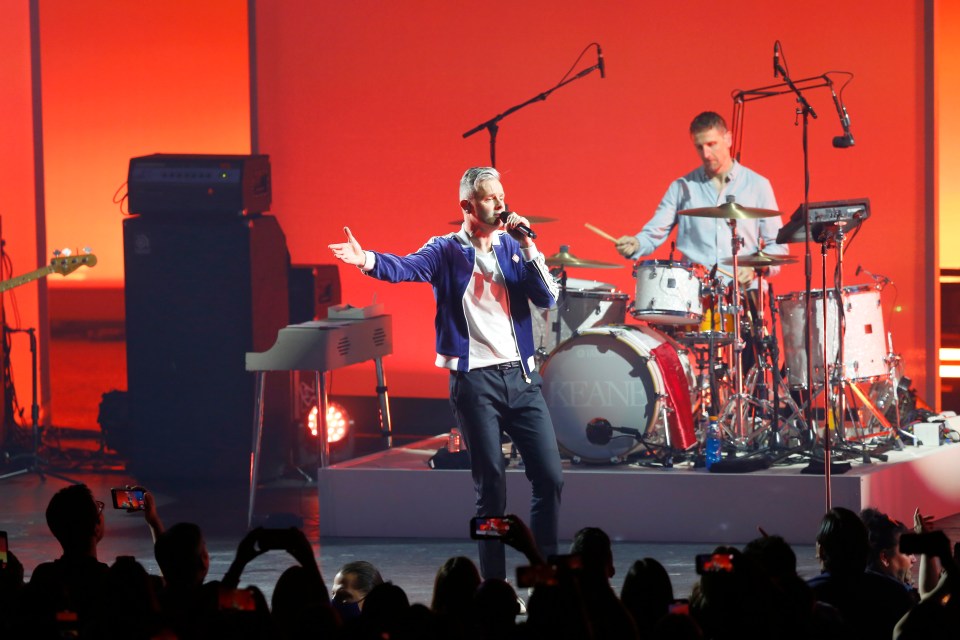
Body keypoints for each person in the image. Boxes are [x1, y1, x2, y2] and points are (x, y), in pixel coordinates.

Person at [329, 166, 564, 581]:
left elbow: (547, 297)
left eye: (501, 196)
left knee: (549, 476)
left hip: (522, 380)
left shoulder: (513, 247)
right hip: (476, 384)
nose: (500, 204)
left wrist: (528, 246)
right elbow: (404, 268)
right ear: (467, 205)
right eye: (490, 198)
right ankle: (494, 583)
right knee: (491, 489)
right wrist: (364, 259)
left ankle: (544, 573)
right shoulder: (446, 250)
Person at [614, 111, 787, 289]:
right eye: (699, 147)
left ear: (728, 139)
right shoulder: (682, 187)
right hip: (693, 292)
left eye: (712, 144)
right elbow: (653, 233)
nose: (706, 154)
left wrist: (753, 267)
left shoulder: (758, 185)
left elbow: (778, 247)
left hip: (743, 292)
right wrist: (636, 243)